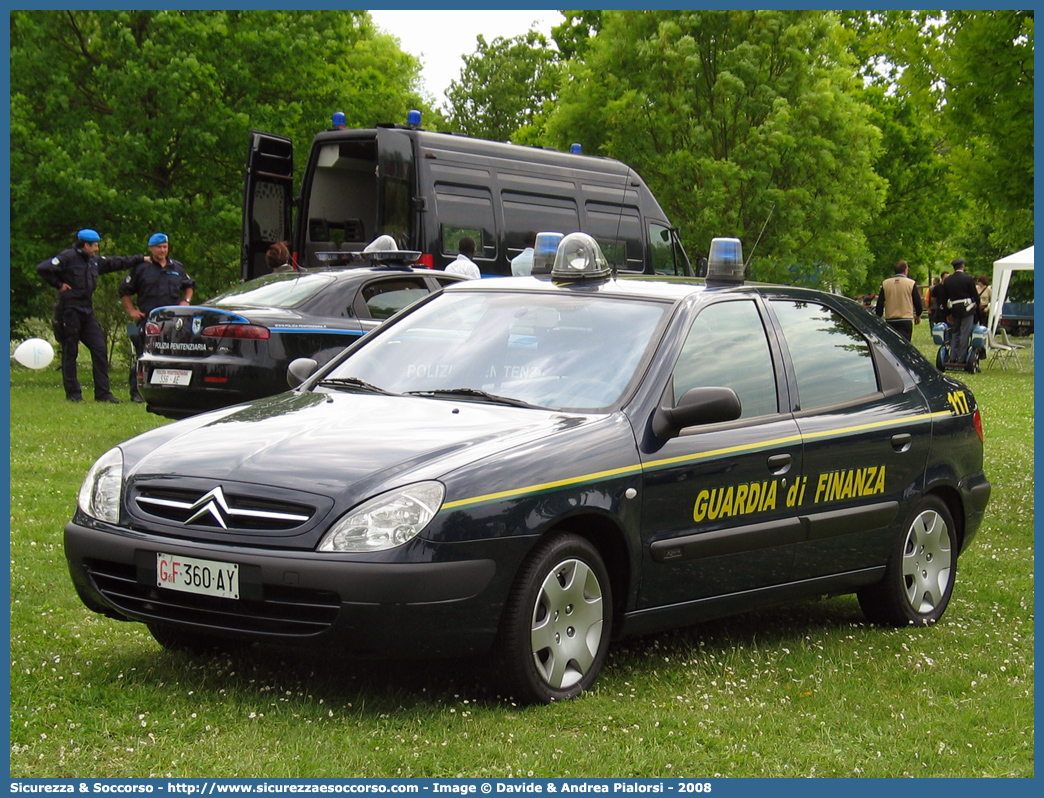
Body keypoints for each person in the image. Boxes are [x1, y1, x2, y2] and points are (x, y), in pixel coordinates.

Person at [37, 228, 147, 403]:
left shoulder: (93, 261)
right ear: (86, 245)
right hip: (69, 310)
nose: (97, 249)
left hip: (87, 310)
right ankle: (74, 394)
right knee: (70, 351)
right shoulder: (67, 258)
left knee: (99, 348)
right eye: (95, 246)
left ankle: (103, 393)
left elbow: (116, 262)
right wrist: (58, 284)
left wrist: (141, 259)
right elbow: (43, 268)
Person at [120, 233, 195, 402]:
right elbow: (124, 291)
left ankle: (169, 390)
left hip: (173, 321)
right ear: (151, 248)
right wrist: (131, 310)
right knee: (143, 355)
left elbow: (189, 286)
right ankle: (137, 392)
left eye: (165, 247)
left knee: (173, 356)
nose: (162, 250)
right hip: (149, 319)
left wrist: (187, 301)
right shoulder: (141, 268)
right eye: (159, 247)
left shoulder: (176, 267)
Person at [941, 257, 979, 363]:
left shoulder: (948, 280)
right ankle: (962, 358)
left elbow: (944, 298)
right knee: (965, 334)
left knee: (955, 333)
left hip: (954, 309)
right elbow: (975, 295)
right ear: (963, 266)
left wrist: (948, 313)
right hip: (967, 309)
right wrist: (977, 305)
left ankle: (953, 356)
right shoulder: (968, 278)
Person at [874, 260, 923, 341]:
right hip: (905, 319)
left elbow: (880, 302)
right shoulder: (911, 283)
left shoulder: (886, 283)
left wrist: (878, 316)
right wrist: (918, 315)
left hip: (890, 320)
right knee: (905, 344)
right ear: (905, 270)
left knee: (892, 345)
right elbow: (917, 301)